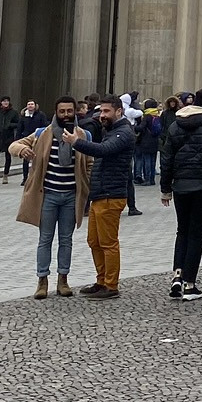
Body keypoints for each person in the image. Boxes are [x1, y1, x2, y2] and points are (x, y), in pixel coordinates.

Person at [11, 97, 90, 298]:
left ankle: (63, 279)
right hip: (48, 196)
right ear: (56, 113)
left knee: (66, 240)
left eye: (69, 111)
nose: (66, 115)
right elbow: (14, 145)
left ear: (75, 112)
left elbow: (90, 162)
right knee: (45, 239)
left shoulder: (82, 135)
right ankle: (42, 280)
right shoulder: (42, 134)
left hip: (71, 196)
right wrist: (23, 150)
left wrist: (87, 183)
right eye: (62, 111)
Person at [158, 88, 202, 300]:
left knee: (182, 231)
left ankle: (177, 274)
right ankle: (189, 283)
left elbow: (167, 158)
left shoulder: (175, 126)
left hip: (180, 186)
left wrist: (165, 188)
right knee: (197, 235)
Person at [69, 95, 136, 298]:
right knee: (94, 241)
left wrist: (76, 142)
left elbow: (104, 151)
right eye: (101, 111)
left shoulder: (124, 132)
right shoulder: (112, 131)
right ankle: (101, 280)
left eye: (107, 111)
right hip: (100, 193)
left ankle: (111, 284)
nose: (102, 115)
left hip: (111, 193)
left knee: (108, 242)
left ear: (119, 111)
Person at [0, 96, 21, 185]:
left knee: (8, 157)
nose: (5, 103)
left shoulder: (13, 112)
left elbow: (18, 123)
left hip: (8, 137)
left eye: (7, 101)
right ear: (1, 103)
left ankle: (5, 175)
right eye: (4, 101)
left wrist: (9, 125)